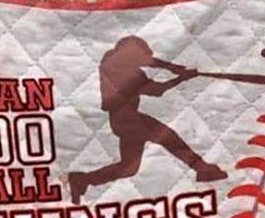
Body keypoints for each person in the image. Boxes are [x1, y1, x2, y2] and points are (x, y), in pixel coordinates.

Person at [67, 36, 226, 203]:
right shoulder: (128, 72)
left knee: (130, 167)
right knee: (168, 139)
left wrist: (171, 67)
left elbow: (149, 61)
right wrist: (181, 78)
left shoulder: (110, 59)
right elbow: (157, 90)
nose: (143, 59)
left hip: (125, 118)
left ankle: (82, 180)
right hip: (128, 121)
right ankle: (202, 169)